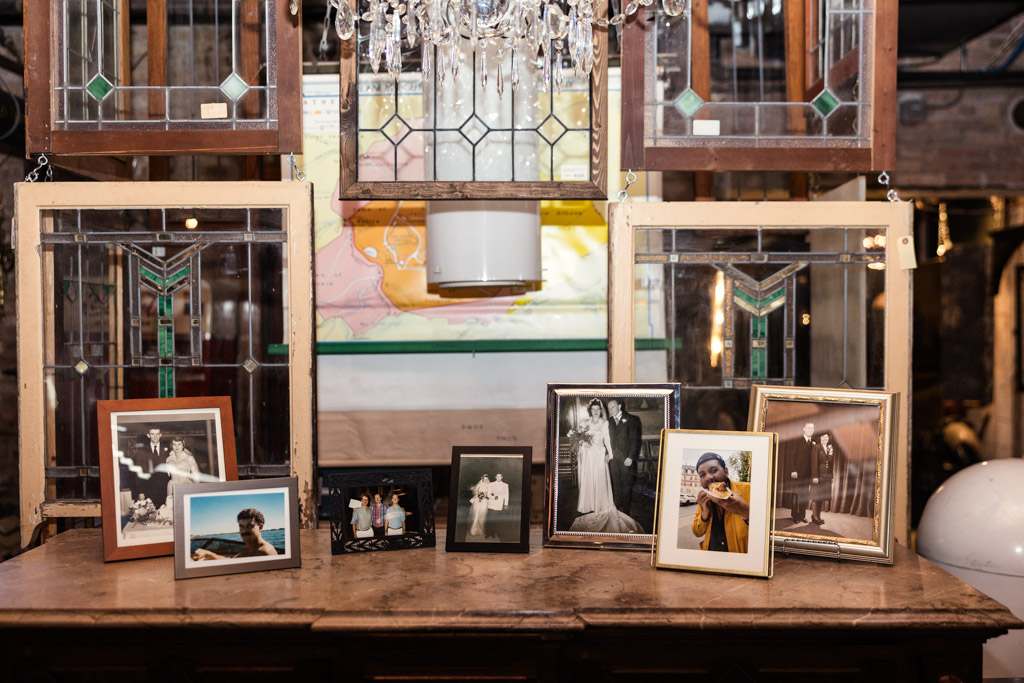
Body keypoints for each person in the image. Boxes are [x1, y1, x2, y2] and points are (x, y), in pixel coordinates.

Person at [691, 452, 750, 553]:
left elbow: (764, 534)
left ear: (726, 471)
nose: (708, 477)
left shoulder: (750, 490)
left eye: (714, 470)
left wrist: (745, 511)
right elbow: (697, 532)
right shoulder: (705, 499)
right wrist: (705, 511)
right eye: (702, 475)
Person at [573, 399, 616, 515]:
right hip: (588, 456)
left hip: (599, 455)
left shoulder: (604, 423)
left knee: (599, 478)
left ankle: (601, 505)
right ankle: (589, 505)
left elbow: (607, 440)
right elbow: (577, 439)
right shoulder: (584, 423)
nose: (595, 411)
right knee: (589, 478)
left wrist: (610, 455)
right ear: (590, 411)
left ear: (601, 411)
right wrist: (583, 443)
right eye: (593, 409)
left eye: (598, 409)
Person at [192, 508, 279, 560]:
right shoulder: (250, 547)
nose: (244, 531)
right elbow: (232, 562)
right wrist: (208, 554)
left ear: (260, 527)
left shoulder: (263, 552)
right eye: (241, 526)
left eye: (249, 526)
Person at [606, 397, 642, 514]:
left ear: (619, 407)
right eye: (609, 408)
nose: (611, 410)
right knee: (615, 483)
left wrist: (630, 457)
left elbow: (635, 440)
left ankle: (626, 511)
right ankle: (617, 507)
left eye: (613, 406)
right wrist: (607, 454)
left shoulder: (631, 420)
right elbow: (606, 440)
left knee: (626, 484)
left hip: (626, 458)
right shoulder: (609, 421)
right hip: (613, 458)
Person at [781, 422, 815, 523]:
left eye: (812, 428)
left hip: (808, 475)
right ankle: (795, 516)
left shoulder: (813, 443)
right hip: (797, 474)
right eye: (808, 428)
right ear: (804, 429)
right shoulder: (797, 440)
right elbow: (791, 456)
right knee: (796, 495)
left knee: (805, 496)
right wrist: (793, 470)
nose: (810, 430)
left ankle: (802, 516)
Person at [162, 437, 201, 506]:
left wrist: (196, 492)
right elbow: (167, 475)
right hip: (172, 487)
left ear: (183, 444)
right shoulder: (168, 459)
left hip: (185, 486)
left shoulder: (189, 458)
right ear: (172, 445)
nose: (177, 447)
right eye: (174, 444)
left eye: (179, 444)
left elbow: (196, 476)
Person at [810, 432, 836, 525]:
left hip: (826, 477)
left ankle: (819, 516)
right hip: (818, 476)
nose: (825, 439)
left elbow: (830, 464)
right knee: (815, 497)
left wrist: (831, 476)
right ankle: (814, 517)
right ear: (820, 438)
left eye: (826, 437)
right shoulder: (816, 447)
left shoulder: (829, 448)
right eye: (823, 437)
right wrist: (815, 476)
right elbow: (814, 462)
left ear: (829, 438)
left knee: (821, 498)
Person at [485, 472, 510, 540]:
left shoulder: (505, 485)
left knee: (496, 520)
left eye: (500, 477)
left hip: (500, 505)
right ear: (495, 477)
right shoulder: (491, 484)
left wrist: (506, 504)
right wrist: (494, 497)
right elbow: (488, 494)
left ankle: (493, 534)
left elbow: (506, 495)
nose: (498, 478)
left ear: (502, 477)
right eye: (497, 476)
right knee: (489, 519)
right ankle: (487, 534)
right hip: (492, 504)